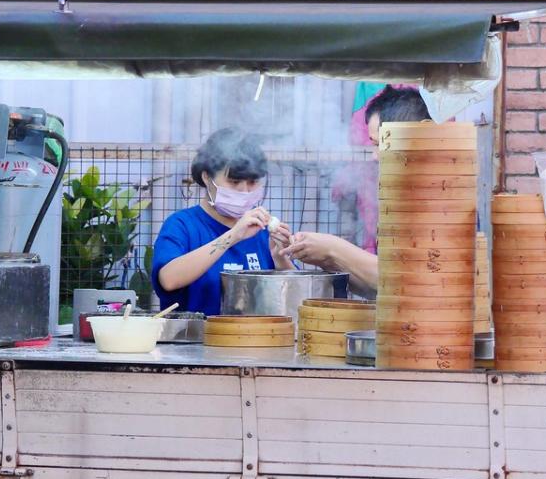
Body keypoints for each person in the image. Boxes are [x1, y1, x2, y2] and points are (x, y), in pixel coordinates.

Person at [282, 86, 430, 295]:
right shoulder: (398, 198)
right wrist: (328, 260)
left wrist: (334, 248)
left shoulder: (436, 199)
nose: (375, 156)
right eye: (373, 145)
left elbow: (406, 279)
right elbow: (377, 287)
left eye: (382, 144)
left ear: (412, 138)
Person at [151, 128, 293, 315]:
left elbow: (292, 299)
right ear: (207, 177)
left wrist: (280, 258)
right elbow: (168, 279)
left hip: (259, 339)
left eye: (252, 182)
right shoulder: (182, 225)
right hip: (195, 340)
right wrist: (233, 236)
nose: (244, 191)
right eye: (234, 182)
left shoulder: (263, 232)